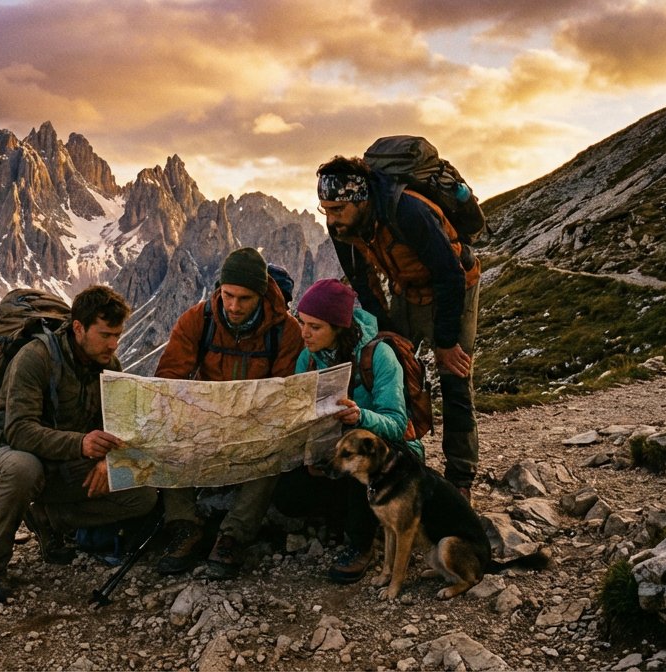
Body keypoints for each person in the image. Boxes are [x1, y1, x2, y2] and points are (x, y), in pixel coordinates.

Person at [0, 284, 159, 604]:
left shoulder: (110, 366)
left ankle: (48, 520)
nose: (114, 344)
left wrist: (107, 462)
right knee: (23, 468)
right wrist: (80, 444)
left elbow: (116, 426)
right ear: (78, 328)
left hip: (66, 462)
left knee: (142, 495)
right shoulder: (36, 357)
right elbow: (19, 431)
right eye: (105, 335)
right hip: (11, 456)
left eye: (118, 335)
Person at [316, 157, 482, 498]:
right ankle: (402, 457)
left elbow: (449, 274)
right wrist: (387, 333)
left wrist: (446, 343)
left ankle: (460, 480)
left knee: (454, 375)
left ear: (360, 200)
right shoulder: (344, 227)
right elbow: (364, 282)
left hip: (456, 286)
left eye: (336, 209)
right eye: (324, 210)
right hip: (407, 290)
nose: (331, 219)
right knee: (395, 363)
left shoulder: (408, 210)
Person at [150, 247, 305, 580]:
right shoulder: (197, 319)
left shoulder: (286, 331)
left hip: (256, 427)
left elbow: (288, 394)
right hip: (204, 423)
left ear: (261, 294)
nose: (233, 306)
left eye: (244, 298)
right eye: (228, 295)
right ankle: (185, 526)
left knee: (275, 449)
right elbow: (169, 381)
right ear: (219, 288)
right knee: (162, 432)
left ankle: (233, 536)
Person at [287, 278, 424, 583]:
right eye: (302, 323)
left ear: (339, 328)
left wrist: (361, 417)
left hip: (386, 453)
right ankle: (347, 519)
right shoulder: (307, 358)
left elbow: (397, 424)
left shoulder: (378, 356)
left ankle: (361, 545)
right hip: (332, 448)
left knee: (358, 466)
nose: (304, 333)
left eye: (315, 326)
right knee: (289, 494)